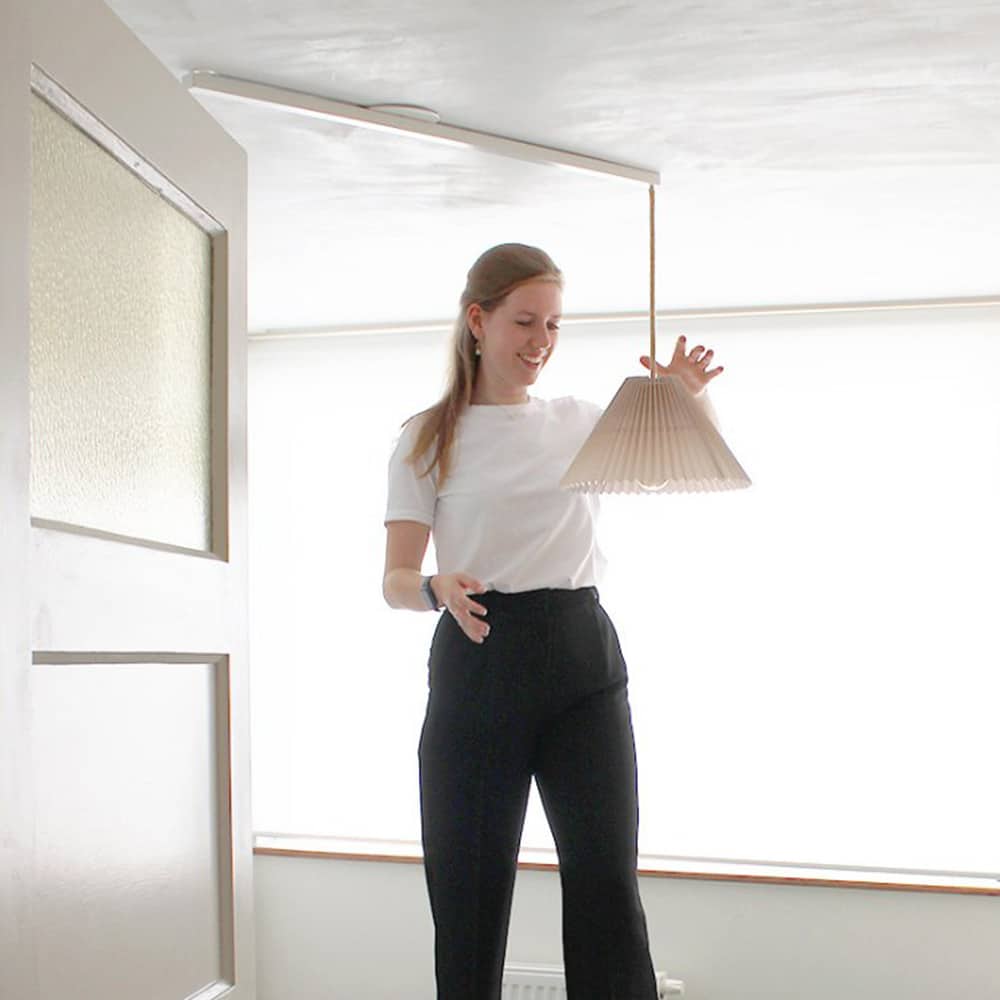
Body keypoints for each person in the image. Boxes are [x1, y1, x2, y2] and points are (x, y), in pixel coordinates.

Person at [382, 244, 723, 1000]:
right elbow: (395, 582)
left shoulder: (579, 421)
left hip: (581, 657)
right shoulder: (427, 436)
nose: (541, 340)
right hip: (477, 653)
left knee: (606, 886)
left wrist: (689, 398)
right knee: (467, 896)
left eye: (555, 325)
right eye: (525, 321)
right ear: (479, 320)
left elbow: (678, 464)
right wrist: (435, 587)